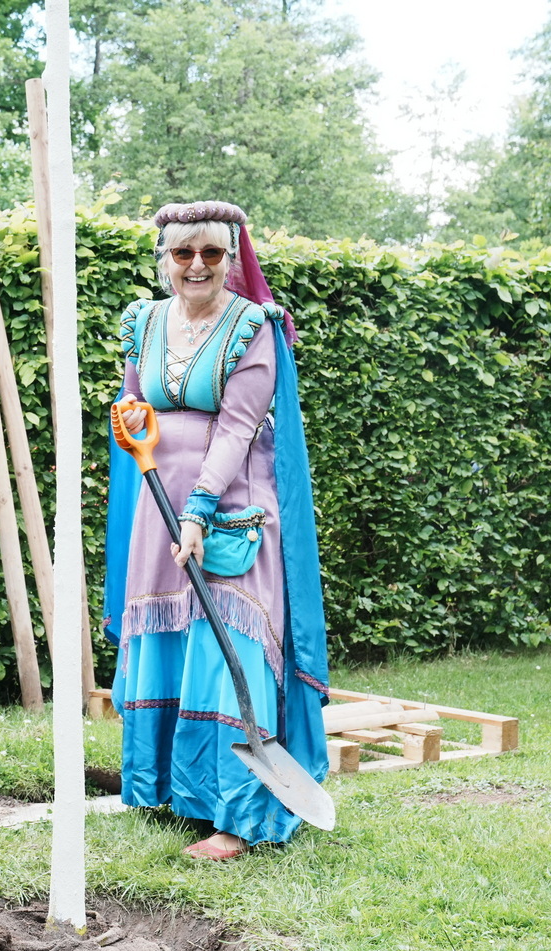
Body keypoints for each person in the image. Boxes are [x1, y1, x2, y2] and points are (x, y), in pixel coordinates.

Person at [103, 200, 330, 860]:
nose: (197, 264)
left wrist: (199, 511)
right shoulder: (142, 321)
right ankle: (174, 791)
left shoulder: (253, 327)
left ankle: (239, 815)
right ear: (165, 259)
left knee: (230, 644)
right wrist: (130, 416)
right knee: (170, 635)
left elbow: (236, 428)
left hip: (232, 507)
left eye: (211, 252)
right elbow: (133, 398)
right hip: (157, 503)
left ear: (231, 259)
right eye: (183, 253)